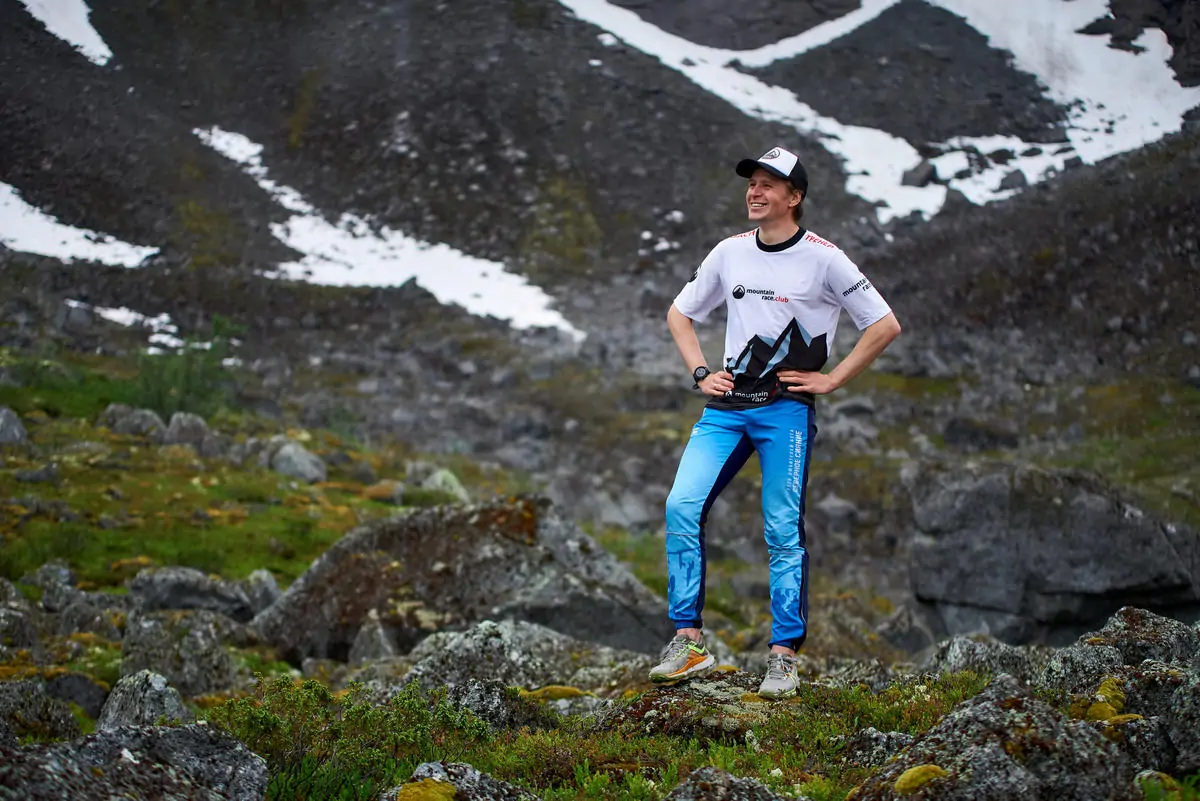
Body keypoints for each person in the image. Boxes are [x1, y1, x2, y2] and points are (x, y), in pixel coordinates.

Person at [647, 145, 902, 698]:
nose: (755, 192)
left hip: (785, 410)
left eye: (768, 184)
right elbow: (679, 312)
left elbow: (883, 324)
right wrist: (700, 372)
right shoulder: (730, 252)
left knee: (782, 527)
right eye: (752, 183)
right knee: (680, 506)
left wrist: (833, 380)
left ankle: (783, 658)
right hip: (727, 408)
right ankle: (688, 643)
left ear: (794, 196)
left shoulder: (826, 259)